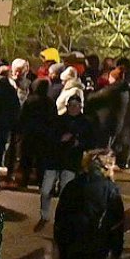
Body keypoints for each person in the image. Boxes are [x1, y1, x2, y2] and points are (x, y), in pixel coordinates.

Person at [41, 93, 98, 229]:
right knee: (45, 190)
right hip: (54, 159)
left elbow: (91, 142)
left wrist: (79, 142)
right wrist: (60, 139)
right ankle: (44, 214)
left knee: (66, 192)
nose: (73, 109)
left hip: (71, 161)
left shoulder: (86, 123)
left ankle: (62, 217)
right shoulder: (58, 120)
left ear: (80, 107)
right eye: (71, 106)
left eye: (76, 106)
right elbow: (48, 137)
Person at [12, 77, 56, 188]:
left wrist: (19, 130)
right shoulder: (50, 102)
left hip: (29, 133)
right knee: (42, 159)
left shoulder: (30, 100)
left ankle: (24, 180)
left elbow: (22, 117)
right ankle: (41, 180)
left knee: (27, 157)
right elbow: (53, 118)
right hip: (44, 134)